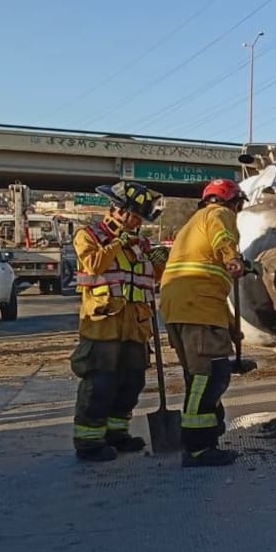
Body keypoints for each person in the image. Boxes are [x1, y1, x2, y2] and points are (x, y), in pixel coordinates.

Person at [70, 181, 165, 462]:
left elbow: (153, 277)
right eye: (132, 215)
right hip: (103, 324)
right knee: (100, 384)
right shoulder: (88, 235)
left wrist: (160, 261)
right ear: (116, 210)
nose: (136, 222)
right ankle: (88, 442)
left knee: (130, 383)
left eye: (139, 218)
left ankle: (116, 434)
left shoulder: (142, 243)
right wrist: (117, 242)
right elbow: (93, 265)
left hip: (135, 326)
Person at [160, 179, 249, 468]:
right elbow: (222, 236)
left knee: (198, 375)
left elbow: (208, 282)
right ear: (234, 202)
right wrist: (233, 257)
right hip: (197, 308)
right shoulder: (218, 214)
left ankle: (206, 435)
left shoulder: (192, 224)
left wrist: (230, 325)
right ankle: (198, 446)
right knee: (209, 376)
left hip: (184, 308)